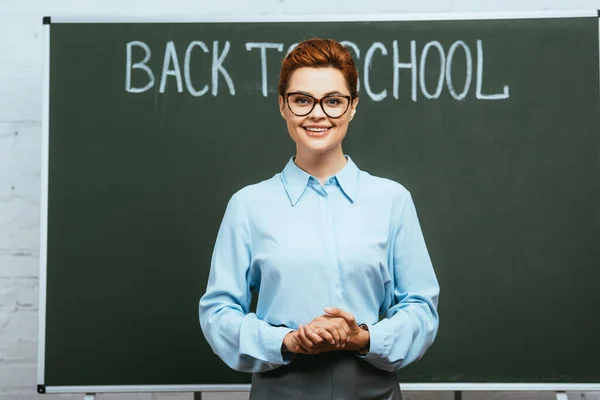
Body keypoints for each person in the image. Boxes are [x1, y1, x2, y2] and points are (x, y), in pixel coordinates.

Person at [199, 38, 440, 400]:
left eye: (332, 101)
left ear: (353, 106)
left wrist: (364, 337)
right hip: (279, 390)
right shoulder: (248, 205)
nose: (317, 114)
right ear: (283, 105)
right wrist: (287, 340)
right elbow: (218, 312)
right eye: (302, 100)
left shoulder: (392, 200)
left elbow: (421, 308)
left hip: (373, 390)